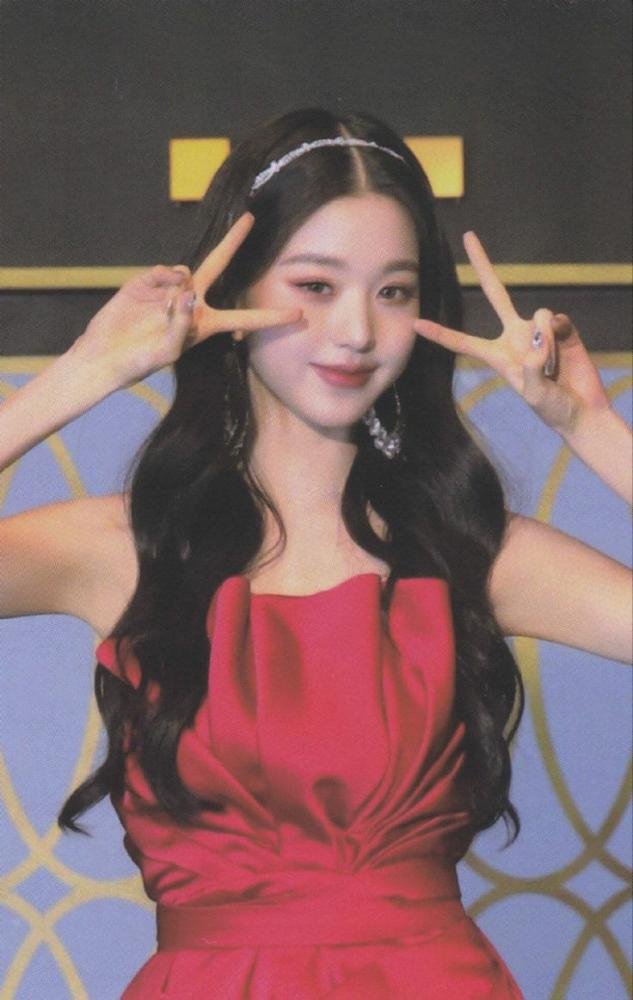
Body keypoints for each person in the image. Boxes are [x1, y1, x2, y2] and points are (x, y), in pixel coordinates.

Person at [1, 107, 631, 999]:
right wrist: (83, 373)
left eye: (394, 292)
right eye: (315, 285)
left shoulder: (469, 552)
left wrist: (593, 428)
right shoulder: (127, 548)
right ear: (234, 293)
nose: (356, 332)